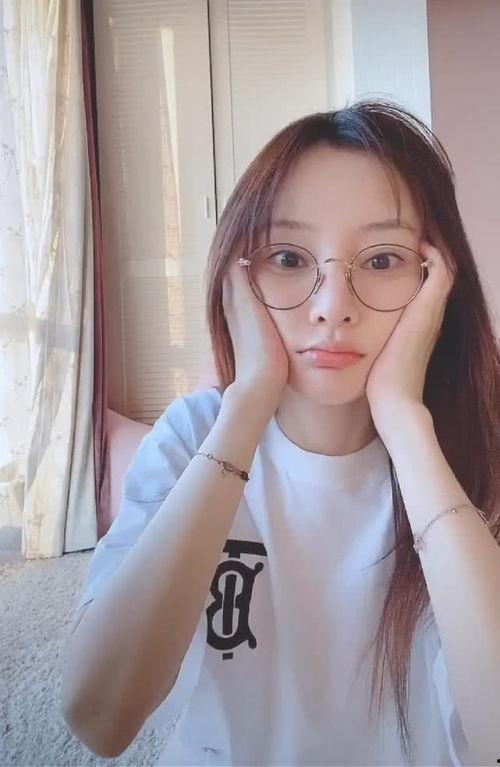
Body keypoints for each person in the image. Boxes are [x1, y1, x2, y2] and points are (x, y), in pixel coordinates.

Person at [61, 99, 500, 766]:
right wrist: (245, 406)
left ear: (437, 282)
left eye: (382, 260)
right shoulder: (193, 435)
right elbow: (99, 716)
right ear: (238, 278)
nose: (332, 307)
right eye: (289, 256)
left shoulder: (479, 446)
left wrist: (405, 423)